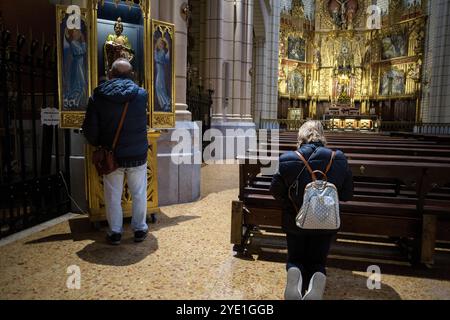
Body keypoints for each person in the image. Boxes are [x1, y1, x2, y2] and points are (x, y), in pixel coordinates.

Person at [270, 121, 353, 300]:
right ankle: (317, 277)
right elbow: (347, 194)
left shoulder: (286, 158)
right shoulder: (339, 158)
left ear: (300, 136)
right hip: (326, 222)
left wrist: (292, 205)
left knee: (295, 257)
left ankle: (294, 272)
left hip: (295, 220)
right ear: (322, 135)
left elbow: (275, 191)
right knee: (318, 260)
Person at [82, 58, 149, 245]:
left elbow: (91, 128)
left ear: (110, 74)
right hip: (137, 154)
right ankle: (140, 229)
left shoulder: (98, 95)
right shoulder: (142, 94)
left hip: (112, 154)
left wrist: (97, 143)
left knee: (113, 195)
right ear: (132, 75)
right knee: (139, 193)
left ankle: (115, 232)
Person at [154, 37, 172, 112]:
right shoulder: (159, 51)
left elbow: (160, 60)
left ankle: (166, 102)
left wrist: (155, 54)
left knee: (159, 87)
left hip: (160, 71)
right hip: (159, 71)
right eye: (159, 43)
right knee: (160, 87)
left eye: (161, 44)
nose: (159, 45)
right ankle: (165, 103)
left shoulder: (162, 52)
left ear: (163, 45)